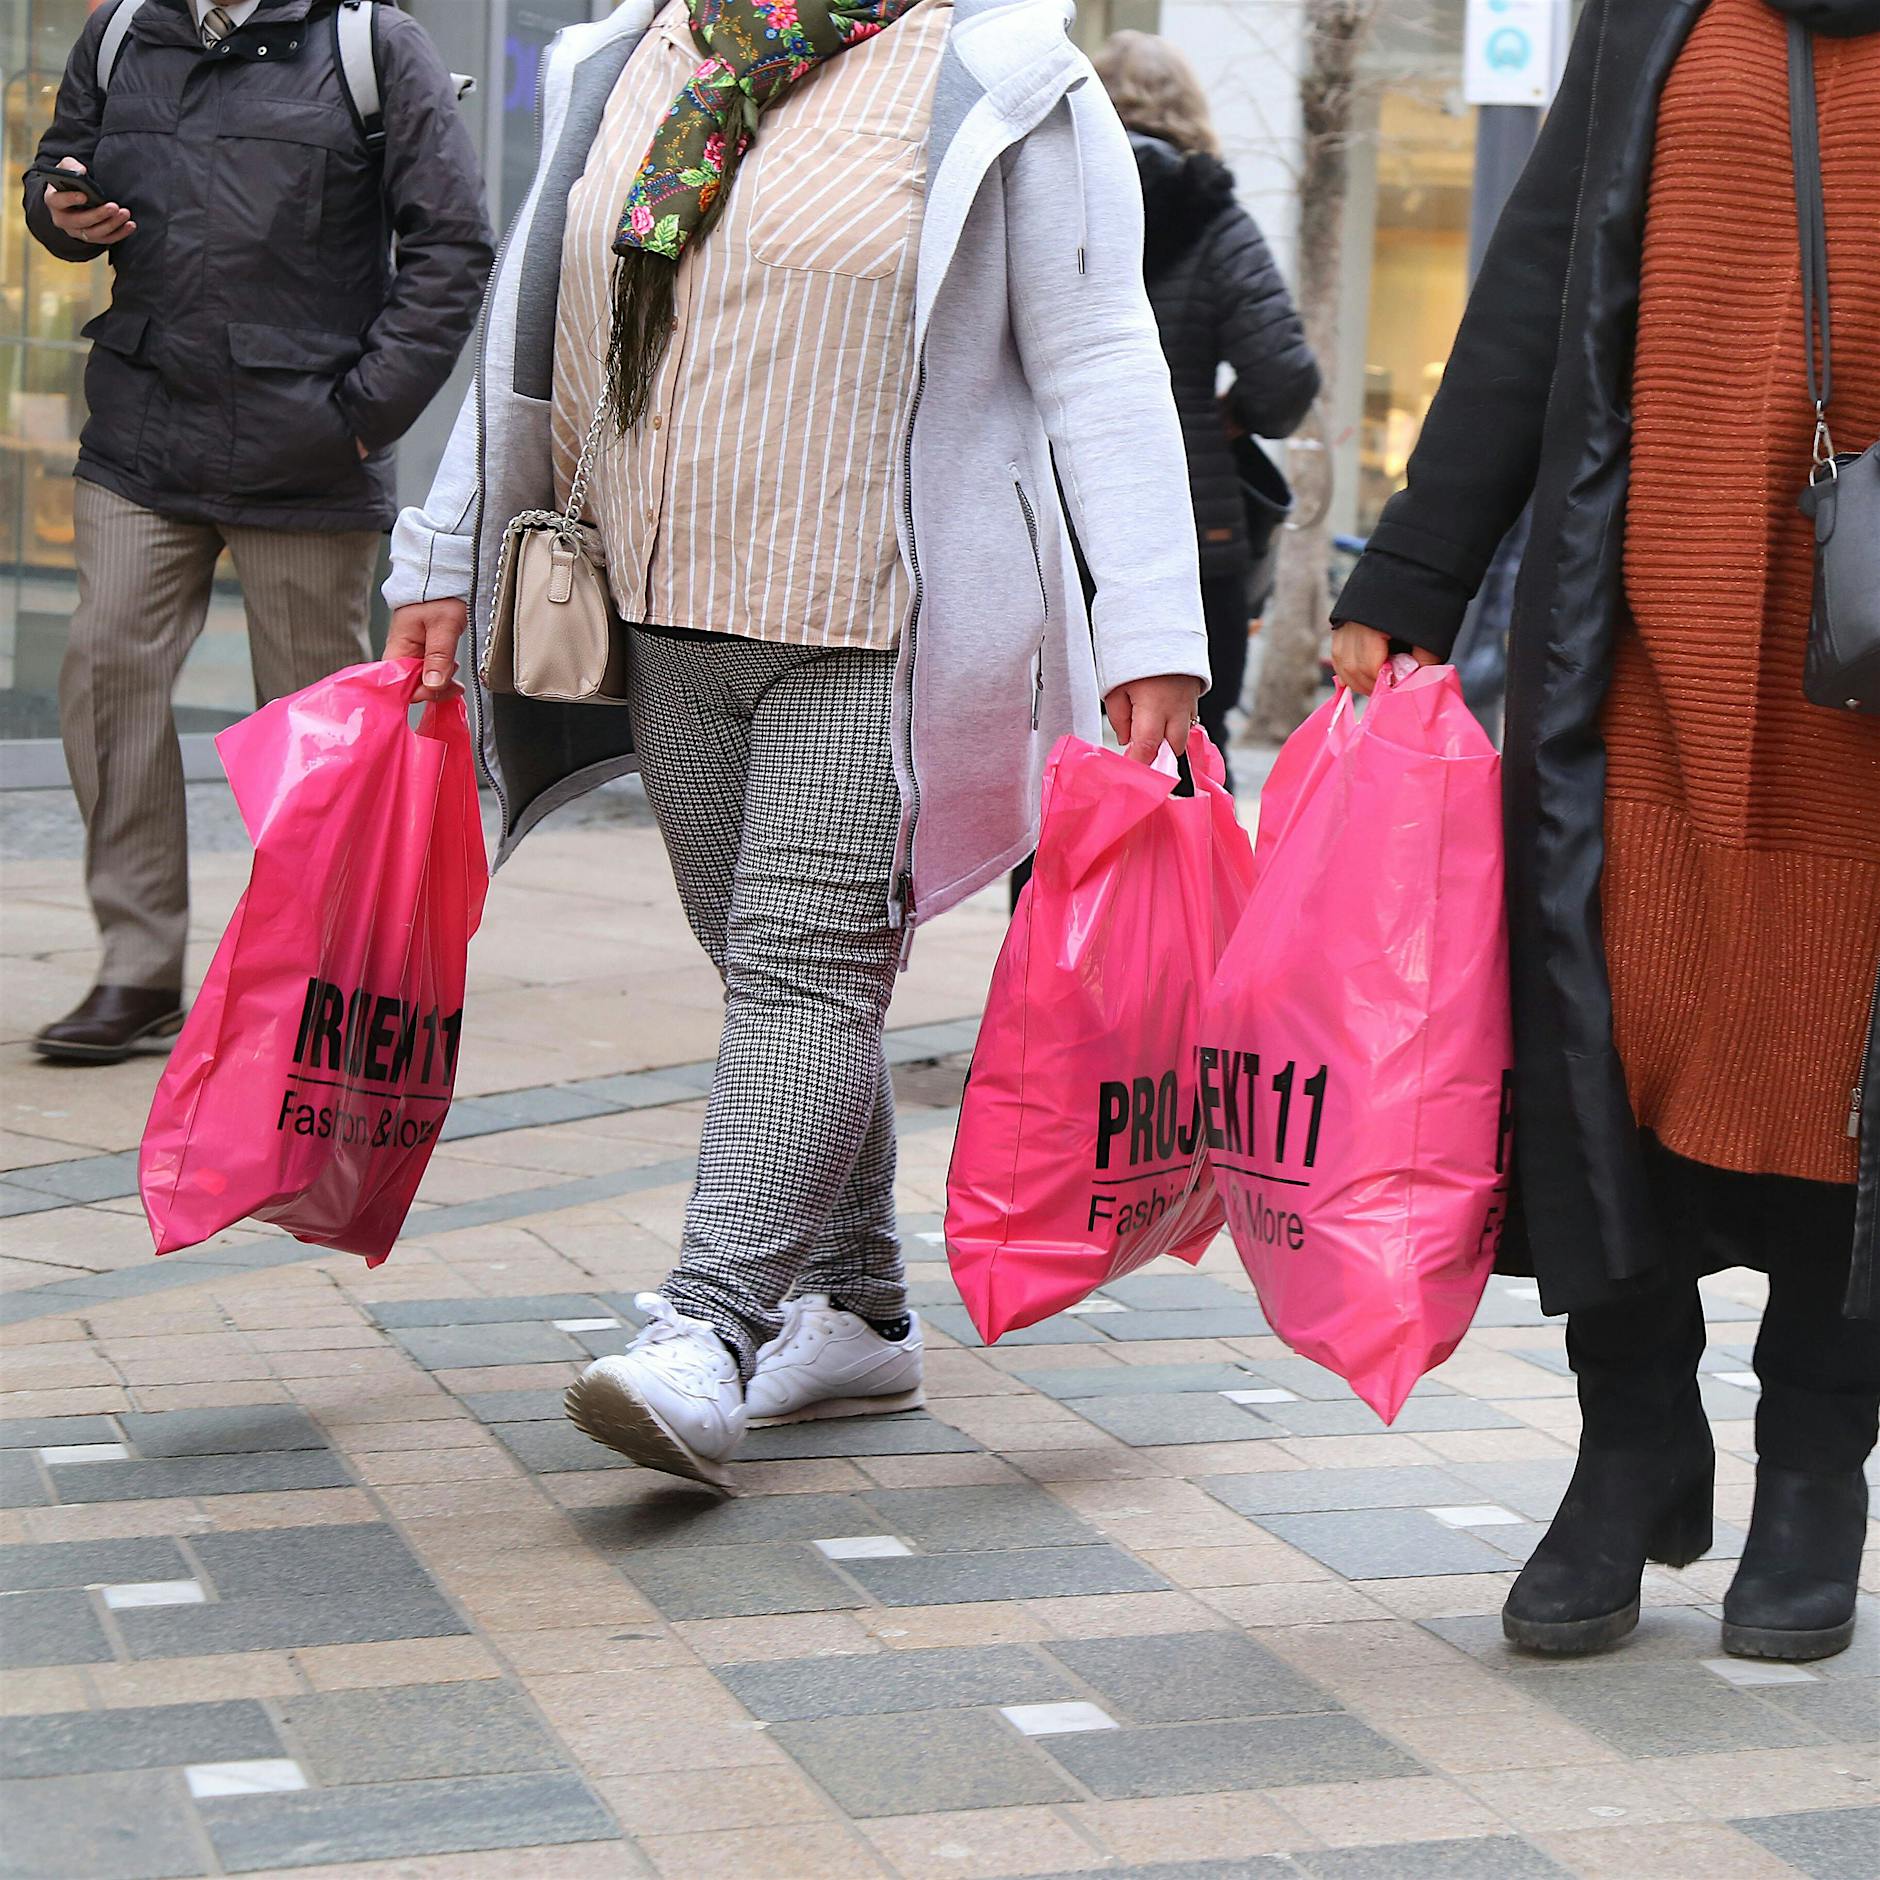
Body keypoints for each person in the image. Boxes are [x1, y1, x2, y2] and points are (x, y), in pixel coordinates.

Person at [385, 0, 1210, 1490]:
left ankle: (706, 1328)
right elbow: (530, 321)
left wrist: (1154, 623)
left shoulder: (1002, 79)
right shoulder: (621, 61)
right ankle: (860, 1310)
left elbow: (1100, 349)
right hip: (654, 602)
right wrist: (441, 555)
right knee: (761, 964)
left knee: (805, 970)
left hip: (876, 622)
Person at [1333, 0, 1879, 1662]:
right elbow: (1535, 283)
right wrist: (1413, 579)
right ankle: (1631, 1444)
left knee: (1839, 1091)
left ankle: (1813, 1474)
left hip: (1862, 686)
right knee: (1605, 1057)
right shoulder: (1660, 11)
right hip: (1635, 656)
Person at [25, 0, 493, 1064]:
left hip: (307, 449)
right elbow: (58, 168)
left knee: (314, 731)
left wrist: (367, 411)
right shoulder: (119, 33)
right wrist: (60, 210)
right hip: (144, 426)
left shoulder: (374, 45)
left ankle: (314, 972)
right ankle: (138, 967)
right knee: (104, 671)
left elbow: (451, 242)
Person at [1094, 31, 1319, 791]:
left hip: (1060, 528)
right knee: (1189, 750)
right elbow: (1285, 379)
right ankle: (1180, 913)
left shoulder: (1051, 205)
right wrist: (1229, 413)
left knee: (1053, 760)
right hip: (1189, 531)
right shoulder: (1217, 222)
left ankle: (1049, 914)